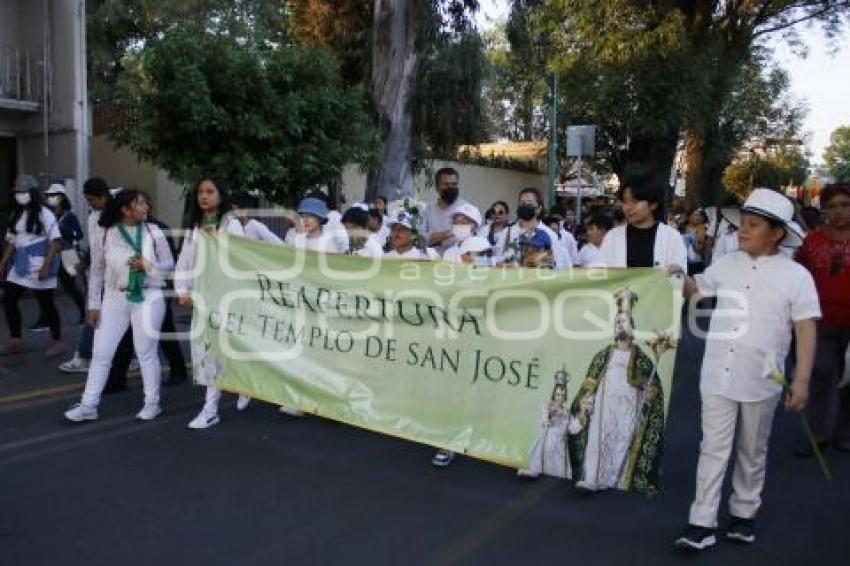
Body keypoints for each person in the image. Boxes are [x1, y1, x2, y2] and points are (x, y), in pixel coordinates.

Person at [673, 188, 819, 551]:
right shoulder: (726, 264)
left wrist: (801, 380)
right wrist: (679, 277)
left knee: (753, 449)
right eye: (743, 225)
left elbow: (805, 328)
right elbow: (699, 293)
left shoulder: (796, 276)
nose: (743, 231)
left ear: (777, 233)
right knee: (713, 448)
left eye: (753, 225)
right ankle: (701, 522)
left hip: (762, 378)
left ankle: (743, 513)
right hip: (717, 373)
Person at [63, 190, 175, 422]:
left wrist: (148, 265)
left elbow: (169, 264)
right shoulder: (104, 233)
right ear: (125, 209)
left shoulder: (153, 231)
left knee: (146, 353)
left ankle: (152, 403)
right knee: (101, 354)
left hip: (148, 296)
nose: (146, 207)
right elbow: (96, 271)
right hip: (113, 299)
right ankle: (88, 405)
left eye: (146, 202)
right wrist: (93, 305)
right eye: (140, 203)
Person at [567, 289, 665, 495]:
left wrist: (649, 396)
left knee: (622, 443)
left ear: (633, 328)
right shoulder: (603, 356)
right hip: (604, 407)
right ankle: (592, 478)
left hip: (628, 408)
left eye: (624, 321)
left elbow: (653, 390)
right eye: (617, 322)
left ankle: (617, 480)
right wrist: (586, 403)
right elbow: (589, 385)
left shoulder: (644, 360)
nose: (619, 324)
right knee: (598, 442)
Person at [177, 178, 246, 430]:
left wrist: (217, 240)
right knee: (208, 352)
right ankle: (216, 403)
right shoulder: (194, 227)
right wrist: (182, 290)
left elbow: (240, 259)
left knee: (223, 350)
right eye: (200, 192)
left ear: (220, 195)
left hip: (227, 297)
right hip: (202, 298)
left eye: (210, 191)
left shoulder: (232, 225)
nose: (204, 196)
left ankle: (214, 406)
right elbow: (184, 261)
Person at [795, 183, 850, 454]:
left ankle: (844, 433)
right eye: (832, 206)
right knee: (822, 373)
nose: (839, 211)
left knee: (849, 379)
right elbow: (797, 277)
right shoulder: (812, 241)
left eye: (845, 205)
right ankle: (818, 435)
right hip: (820, 321)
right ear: (824, 210)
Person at [0, 175, 65, 357]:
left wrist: (46, 265)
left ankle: (57, 341)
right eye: (17, 192)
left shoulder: (45, 214)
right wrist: (3, 263)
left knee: (46, 304)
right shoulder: (16, 214)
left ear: (32, 193)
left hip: (39, 263)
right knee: (9, 299)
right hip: (20, 266)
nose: (18, 195)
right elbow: (11, 241)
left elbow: (56, 242)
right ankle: (16, 339)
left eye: (22, 192)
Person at [59, 178, 114, 373]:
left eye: (92, 199)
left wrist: (85, 263)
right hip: (99, 275)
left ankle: (83, 356)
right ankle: (86, 355)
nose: (90, 204)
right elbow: (95, 245)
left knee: (96, 316)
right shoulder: (94, 215)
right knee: (95, 314)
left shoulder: (119, 212)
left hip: (117, 276)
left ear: (104, 196)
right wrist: (84, 264)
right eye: (87, 200)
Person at [598, 179, 687, 272]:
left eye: (635, 202)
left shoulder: (671, 237)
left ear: (653, 204)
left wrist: (677, 271)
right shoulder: (612, 237)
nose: (628, 207)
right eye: (625, 202)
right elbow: (602, 273)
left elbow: (680, 278)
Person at [43, 183, 86, 325]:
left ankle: (83, 314)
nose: (50, 198)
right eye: (48, 196)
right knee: (44, 288)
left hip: (68, 254)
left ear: (62, 197)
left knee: (70, 287)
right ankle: (44, 319)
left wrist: (63, 231)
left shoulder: (69, 216)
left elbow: (78, 234)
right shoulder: (47, 215)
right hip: (51, 254)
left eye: (53, 195)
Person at [518, 370, 572, 479]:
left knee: (558, 475)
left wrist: (580, 417)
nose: (560, 397)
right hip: (546, 443)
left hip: (560, 447)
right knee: (539, 465)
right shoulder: (547, 407)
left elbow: (572, 428)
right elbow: (545, 422)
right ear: (554, 394)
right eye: (557, 395)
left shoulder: (567, 413)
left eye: (562, 395)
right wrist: (551, 414)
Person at [504, 188, 572, 268]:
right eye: (522, 203)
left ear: (539, 208)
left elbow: (558, 265)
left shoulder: (550, 235)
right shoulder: (507, 232)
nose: (525, 206)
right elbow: (497, 260)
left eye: (529, 203)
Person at [420, 167, 476, 254]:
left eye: (454, 184)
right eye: (446, 184)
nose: (450, 188)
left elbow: (469, 238)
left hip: (458, 259)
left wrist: (435, 237)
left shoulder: (467, 209)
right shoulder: (429, 208)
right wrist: (449, 233)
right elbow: (422, 238)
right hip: (432, 259)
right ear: (437, 187)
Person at [683, 208, 710, 274]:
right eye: (695, 215)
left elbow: (699, 249)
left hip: (696, 262)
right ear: (689, 217)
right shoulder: (682, 227)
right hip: (684, 262)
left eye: (698, 215)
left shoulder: (702, 228)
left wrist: (693, 241)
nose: (698, 217)